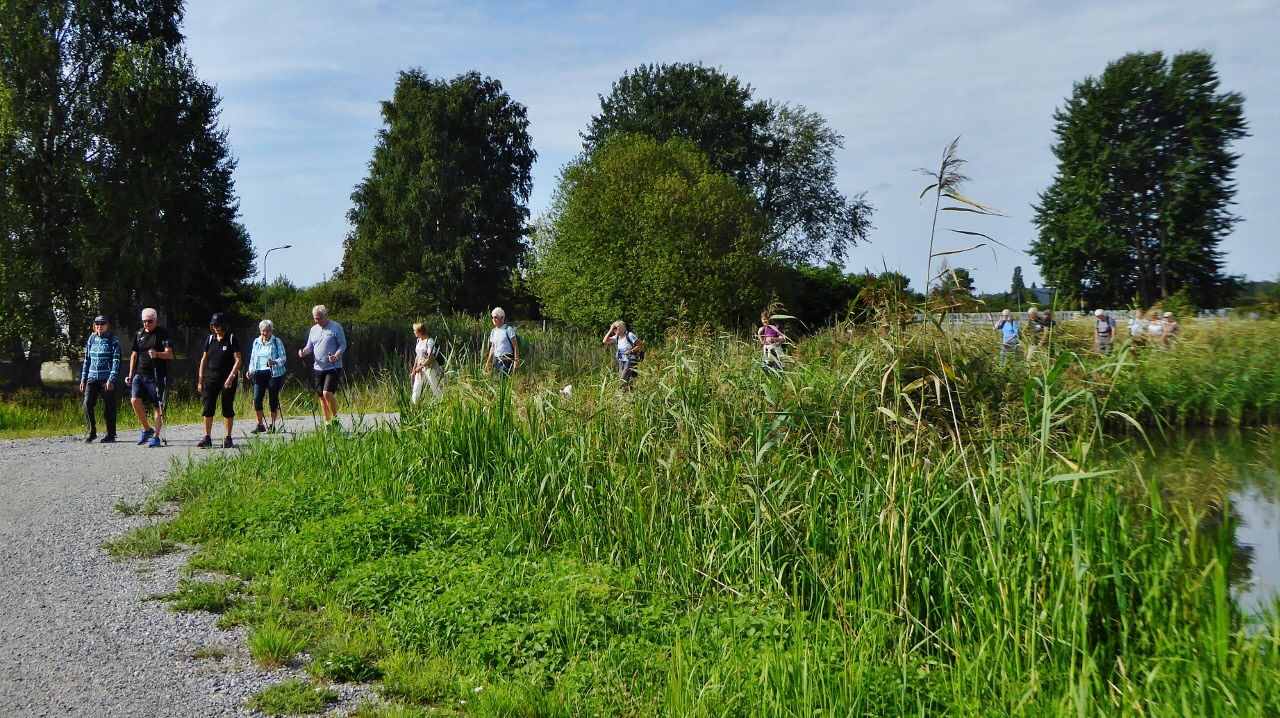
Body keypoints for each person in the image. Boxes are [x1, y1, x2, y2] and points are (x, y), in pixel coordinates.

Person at [126, 308, 173, 447]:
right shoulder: (139, 333)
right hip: (140, 374)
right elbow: (134, 354)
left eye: (150, 321)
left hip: (157, 376)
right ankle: (147, 429)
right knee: (135, 401)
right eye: (144, 321)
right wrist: (131, 373)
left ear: (156, 320)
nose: (147, 324)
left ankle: (156, 436)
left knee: (158, 407)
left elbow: (169, 354)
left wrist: (157, 354)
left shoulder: (162, 334)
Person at [197, 313, 243, 449]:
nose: (215, 328)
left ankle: (228, 437)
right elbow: (204, 359)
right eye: (213, 325)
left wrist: (231, 377)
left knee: (227, 406)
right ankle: (207, 437)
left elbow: (238, 360)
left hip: (227, 377)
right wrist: (200, 379)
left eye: (217, 325)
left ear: (223, 325)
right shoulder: (210, 339)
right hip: (212, 376)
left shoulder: (231, 339)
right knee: (208, 406)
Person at [299, 304, 347, 426]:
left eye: (320, 318)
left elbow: (343, 344)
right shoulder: (313, 329)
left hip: (333, 366)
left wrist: (336, 356)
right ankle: (327, 422)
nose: (318, 320)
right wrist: (303, 352)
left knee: (327, 393)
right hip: (318, 367)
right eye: (316, 318)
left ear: (326, 315)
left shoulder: (336, 327)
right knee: (321, 395)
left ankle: (335, 419)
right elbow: (309, 347)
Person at [79, 315, 121, 443]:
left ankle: (110, 434)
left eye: (102, 324)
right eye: (97, 324)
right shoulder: (91, 339)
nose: (99, 326)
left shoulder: (112, 339)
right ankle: (91, 432)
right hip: (92, 377)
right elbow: (87, 360)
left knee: (109, 406)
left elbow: (116, 360)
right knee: (87, 403)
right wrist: (83, 379)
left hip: (106, 378)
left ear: (106, 325)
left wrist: (111, 379)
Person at [248, 319, 287, 433]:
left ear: (271, 330)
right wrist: (250, 371)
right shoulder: (257, 342)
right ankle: (260, 424)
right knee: (257, 398)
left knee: (273, 399)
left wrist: (274, 362)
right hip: (259, 372)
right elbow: (253, 358)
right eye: (263, 331)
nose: (265, 333)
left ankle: (272, 424)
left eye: (268, 331)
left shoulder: (276, 341)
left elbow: (283, 358)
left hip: (274, 373)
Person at [603, 320, 643, 389]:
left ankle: (621, 392)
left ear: (621, 327)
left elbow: (640, 345)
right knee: (626, 377)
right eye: (614, 328)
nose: (614, 330)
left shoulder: (630, 335)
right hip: (621, 360)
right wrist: (610, 330)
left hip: (630, 359)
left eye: (616, 328)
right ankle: (630, 390)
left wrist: (631, 351)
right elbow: (605, 341)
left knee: (623, 377)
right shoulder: (617, 337)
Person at [410, 322, 443, 402]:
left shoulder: (429, 341)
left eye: (415, 330)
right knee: (416, 388)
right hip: (419, 369)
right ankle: (414, 406)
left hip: (429, 368)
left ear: (419, 331)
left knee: (434, 387)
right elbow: (418, 356)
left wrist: (420, 367)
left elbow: (430, 358)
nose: (414, 332)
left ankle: (442, 402)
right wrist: (414, 369)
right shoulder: (418, 341)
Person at [484, 307, 520, 378]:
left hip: (507, 360)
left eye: (496, 317)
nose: (493, 319)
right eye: (492, 317)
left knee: (501, 379)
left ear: (502, 318)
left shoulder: (508, 330)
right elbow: (492, 348)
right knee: (495, 380)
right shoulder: (493, 331)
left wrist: (516, 361)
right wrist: (488, 363)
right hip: (496, 360)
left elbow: (515, 346)